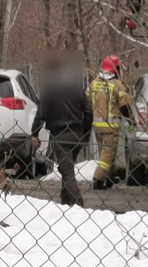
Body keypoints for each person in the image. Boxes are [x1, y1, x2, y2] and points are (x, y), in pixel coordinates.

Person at [31, 51, 92, 206]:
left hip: (60, 134)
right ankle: (65, 201)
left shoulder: (49, 89)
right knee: (67, 168)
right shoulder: (76, 86)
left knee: (67, 171)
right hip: (77, 132)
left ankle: (78, 204)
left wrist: (34, 134)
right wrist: (86, 131)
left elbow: (41, 113)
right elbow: (88, 110)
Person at [89, 55, 133, 190]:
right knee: (108, 153)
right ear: (116, 68)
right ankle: (98, 179)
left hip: (97, 125)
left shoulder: (94, 83)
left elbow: (86, 102)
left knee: (107, 151)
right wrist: (132, 121)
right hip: (110, 125)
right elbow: (125, 106)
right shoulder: (117, 85)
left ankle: (110, 177)